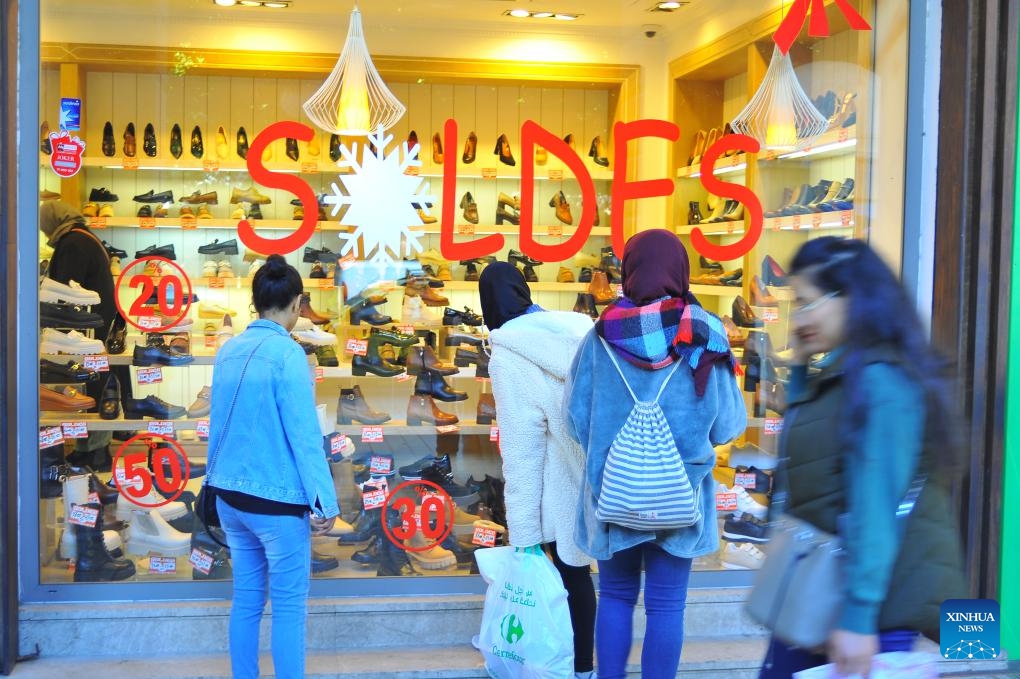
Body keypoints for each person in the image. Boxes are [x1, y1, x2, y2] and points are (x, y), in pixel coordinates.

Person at [758, 236, 966, 678]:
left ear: (852, 298)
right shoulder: (842, 374)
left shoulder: (883, 383)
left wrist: (858, 616)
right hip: (823, 594)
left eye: (809, 303)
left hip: (871, 608)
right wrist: (800, 363)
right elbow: (805, 457)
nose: (800, 318)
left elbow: (876, 506)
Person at [565, 229, 746, 679]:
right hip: (681, 497)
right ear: (680, 272)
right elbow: (729, 424)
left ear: (629, 271)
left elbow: (573, 418)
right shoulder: (705, 335)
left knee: (616, 597)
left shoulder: (599, 336)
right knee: (667, 606)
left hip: (613, 495)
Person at [206, 254, 339, 679]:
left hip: (229, 496)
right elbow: (304, 436)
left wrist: (213, 482)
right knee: (287, 607)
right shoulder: (287, 354)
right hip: (276, 502)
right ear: (297, 303)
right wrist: (324, 501)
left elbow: (216, 426)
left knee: (246, 599)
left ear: (256, 301)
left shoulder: (228, 350)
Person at [479, 261, 598, 679]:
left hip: (547, 484)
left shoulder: (508, 350)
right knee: (576, 574)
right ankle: (582, 666)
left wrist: (523, 531)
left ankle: (544, 665)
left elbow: (522, 447)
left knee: (541, 580)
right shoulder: (576, 331)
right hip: (583, 477)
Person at [39, 200, 126, 469]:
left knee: (89, 383)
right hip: (95, 322)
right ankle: (91, 449)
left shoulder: (72, 243)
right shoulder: (85, 237)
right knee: (95, 383)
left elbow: (64, 289)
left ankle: (94, 452)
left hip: (83, 326)